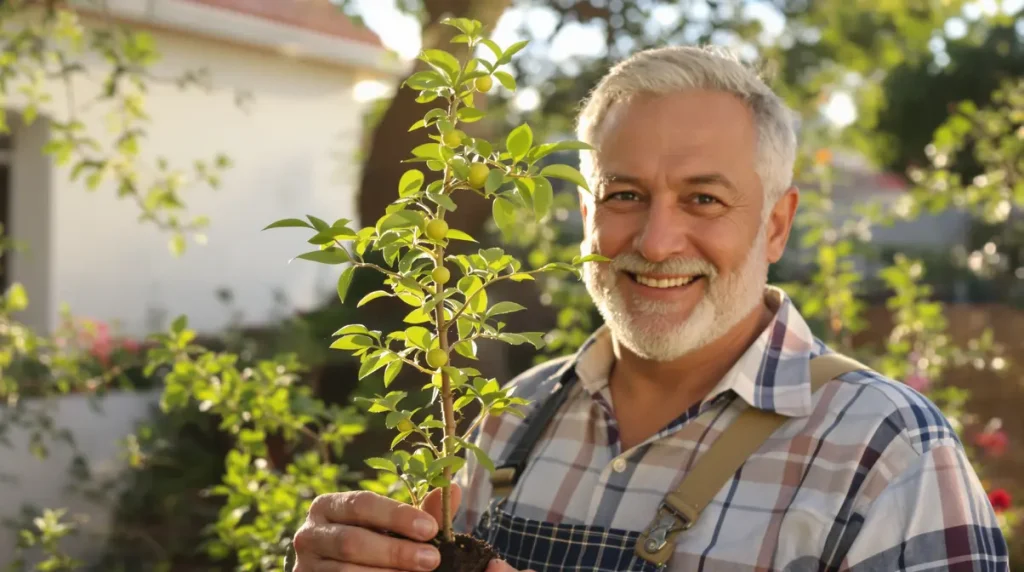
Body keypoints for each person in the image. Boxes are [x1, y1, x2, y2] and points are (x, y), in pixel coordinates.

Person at [289, 45, 1009, 571]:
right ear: (585, 214)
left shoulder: (887, 455)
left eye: (704, 199)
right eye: (625, 195)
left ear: (777, 225)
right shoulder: (509, 420)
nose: (657, 242)